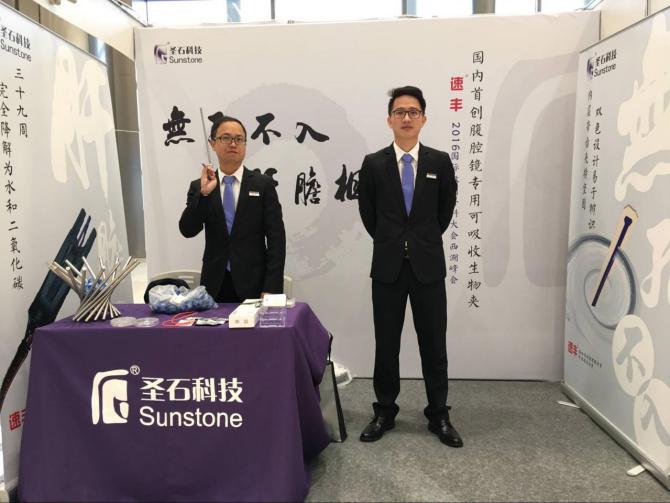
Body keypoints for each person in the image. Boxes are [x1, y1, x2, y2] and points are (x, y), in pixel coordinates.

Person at [357, 86, 462, 447]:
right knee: (386, 343)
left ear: (423, 119)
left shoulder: (439, 162)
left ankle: (439, 414)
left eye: (413, 112)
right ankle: (384, 411)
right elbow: (369, 214)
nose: (406, 118)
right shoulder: (373, 164)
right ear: (389, 120)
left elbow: (444, 212)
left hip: (427, 267)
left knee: (433, 344)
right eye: (399, 112)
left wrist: (419, 241)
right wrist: (393, 241)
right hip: (387, 268)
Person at [179, 113, 286, 302]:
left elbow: (276, 239)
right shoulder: (200, 186)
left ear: (245, 144)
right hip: (214, 284)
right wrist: (204, 194)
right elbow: (188, 230)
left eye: (239, 139)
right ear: (213, 143)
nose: (233, 144)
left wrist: (271, 287)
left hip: (255, 283)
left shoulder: (263, 185)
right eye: (226, 138)